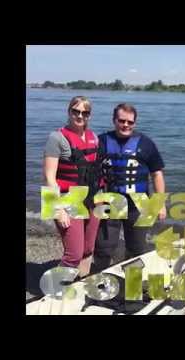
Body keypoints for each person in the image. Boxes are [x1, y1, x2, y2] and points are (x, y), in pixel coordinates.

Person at [93, 103, 166, 271]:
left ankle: (133, 290)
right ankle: (100, 286)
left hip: (140, 203)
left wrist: (160, 203)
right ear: (114, 121)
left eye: (130, 122)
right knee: (104, 247)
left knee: (138, 249)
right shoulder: (102, 141)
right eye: (121, 121)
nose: (126, 125)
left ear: (134, 123)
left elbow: (157, 174)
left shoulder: (146, 143)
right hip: (110, 201)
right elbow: (91, 172)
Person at [43, 96, 102, 277]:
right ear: (69, 112)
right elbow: (49, 177)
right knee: (73, 254)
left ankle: (80, 283)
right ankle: (56, 291)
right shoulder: (56, 138)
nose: (80, 116)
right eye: (75, 111)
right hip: (66, 200)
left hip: (91, 200)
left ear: (89, 116)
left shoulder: (94, 137)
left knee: (87, 250)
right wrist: (58, 209)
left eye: (85, 112)